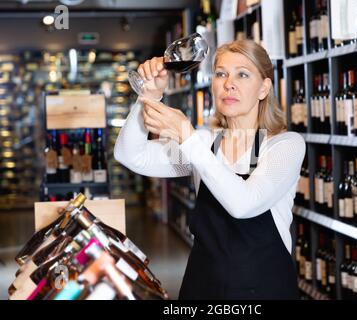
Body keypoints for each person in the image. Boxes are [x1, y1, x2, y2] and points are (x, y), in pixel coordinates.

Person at [114, 40, 306, 300]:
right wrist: (147, 96)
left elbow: (244, 204)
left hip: (264, 289)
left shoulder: (284, 145)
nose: (229, 83)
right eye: (221, 73)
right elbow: (131, 155)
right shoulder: (206, 142)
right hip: (202, 286)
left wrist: (187, 136)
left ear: (264, 88)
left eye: (242, 74)